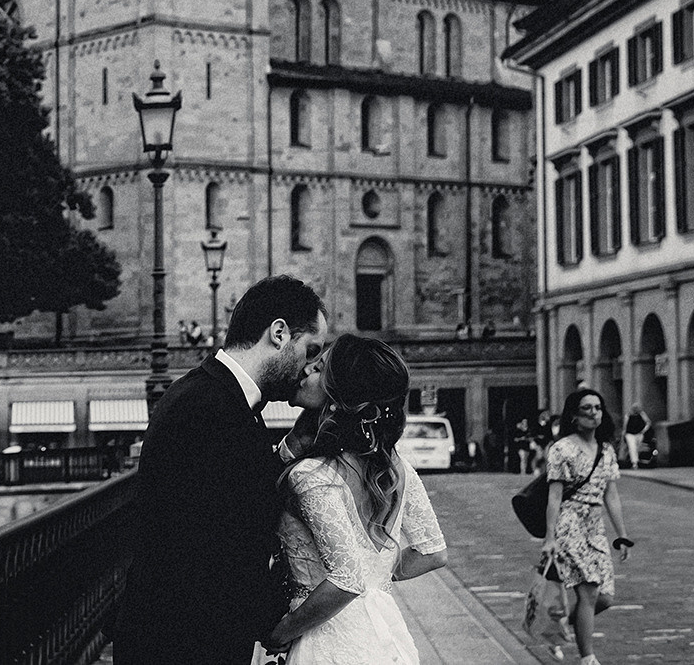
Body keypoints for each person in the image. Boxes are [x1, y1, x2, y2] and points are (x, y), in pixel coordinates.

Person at [112, 275, 331, 665]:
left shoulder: (218, 395)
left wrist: (291, 448)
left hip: (184, 632)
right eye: (311, 349)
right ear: (278, 334)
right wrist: (274, 622)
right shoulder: (208, 408)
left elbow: (233, 489)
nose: (311, 366)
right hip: (180, 641)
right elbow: (222, 543)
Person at [264, 335, 448, 663]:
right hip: (383, 634)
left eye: (318, 368)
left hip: (326, 641)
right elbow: (433, 553)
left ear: (340, 397)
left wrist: (281, 632)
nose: (305, 370)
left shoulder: (312, 476)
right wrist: (376, 574)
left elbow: (346, 581)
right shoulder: (397, 469)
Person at [539, 388, 633, 665]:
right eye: (587, 409)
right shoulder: (562, 449)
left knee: (604, 598)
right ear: (574, 417)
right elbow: (554, 497)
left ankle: (558, 629)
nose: (594, 413)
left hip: (595, 527)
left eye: (598, 408)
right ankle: (588, 658)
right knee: (589, 591)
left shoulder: (606, 450)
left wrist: (622, 535)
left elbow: (611, 495)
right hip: (569, 523)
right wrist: (549, 537)